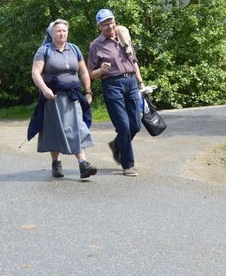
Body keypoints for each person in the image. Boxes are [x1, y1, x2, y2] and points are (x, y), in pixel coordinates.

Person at [30, 19, 97, 179]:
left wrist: (88, 92)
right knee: (56, 130)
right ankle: (56, 162)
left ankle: (83, 163)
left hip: (73, 96)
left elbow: (83, 72)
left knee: (78, 127)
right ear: (51, 34)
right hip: (53, 98)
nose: (62, 33)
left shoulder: (74, 49)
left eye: (64, 31)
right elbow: (35, 73)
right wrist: (45, 90)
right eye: (58, 31)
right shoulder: (44, 50)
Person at [87, 9, 146, 177]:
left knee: (135, 125)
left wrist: (141, 83)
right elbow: (89, 73)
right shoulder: (96, 45)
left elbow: (133, 62)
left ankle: (116, 145)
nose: (109, 26)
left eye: (111, 22)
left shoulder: (123, 36)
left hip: (131, 83)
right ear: (99, 26)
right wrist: (101, 70)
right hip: (112, 85)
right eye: (105, 24)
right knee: (124, 126)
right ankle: (128, 165)